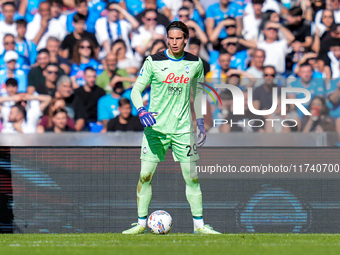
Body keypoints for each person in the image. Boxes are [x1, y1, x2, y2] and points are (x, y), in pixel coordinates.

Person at [122, 21, 220, 235]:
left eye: (178, 38)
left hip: (183, 129)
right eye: (170, 38)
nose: (174, 42)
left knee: (192, 177)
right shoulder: (153, 61)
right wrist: (141, 110)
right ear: (167, 38)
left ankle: (199, 226)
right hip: (155, 129)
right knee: (145, 176)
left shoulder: (195, 64)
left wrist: (200, 123)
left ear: (186, 40)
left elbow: (198, 96)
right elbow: (136, 90)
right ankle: (140, 224)